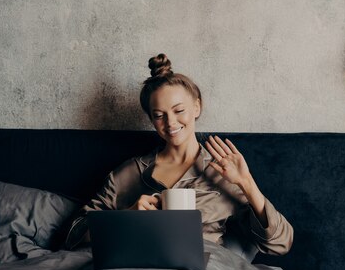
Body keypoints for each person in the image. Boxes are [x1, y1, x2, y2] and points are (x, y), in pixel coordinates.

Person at [65, 53, 293, 257]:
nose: (171, 122)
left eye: (179, 110)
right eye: (159, 115)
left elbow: (281, 243)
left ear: (196, 107)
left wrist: (247, 183)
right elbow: (73, 236)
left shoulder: (223, 173)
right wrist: (127, 216)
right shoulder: (128, 174)